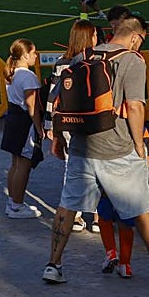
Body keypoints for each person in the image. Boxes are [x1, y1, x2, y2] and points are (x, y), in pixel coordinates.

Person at [42, 13, 149, 287]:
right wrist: (138, 143)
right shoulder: (131, 60)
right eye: (142, 41)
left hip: (81, 146)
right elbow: (135, 106)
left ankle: (54, 264)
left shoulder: (85, 56)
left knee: (67, 205)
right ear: (135, 36)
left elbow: (60, 98)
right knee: (141, 207)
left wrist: (59, 138)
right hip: (117, 147)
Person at [46, 19, 100, 234]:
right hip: (91, 122)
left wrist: (51, 124)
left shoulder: (62, 62)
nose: (97, 38)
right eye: (95, 35)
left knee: (72, 168)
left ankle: (75, 214)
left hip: (68, 123)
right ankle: (95, 215)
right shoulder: (97, 61)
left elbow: (52, 94)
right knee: (95, 168)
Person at [2, 39, 46, 218]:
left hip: (13, 120)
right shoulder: (28, 76)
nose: (35, 56)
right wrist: (39, 126)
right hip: (24, 124)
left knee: (15, 163)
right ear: (26, 54)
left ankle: (13, 201)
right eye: (34, 53)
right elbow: (31, 104)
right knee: (24, 166)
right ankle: (17, 206)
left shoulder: (11, 73)